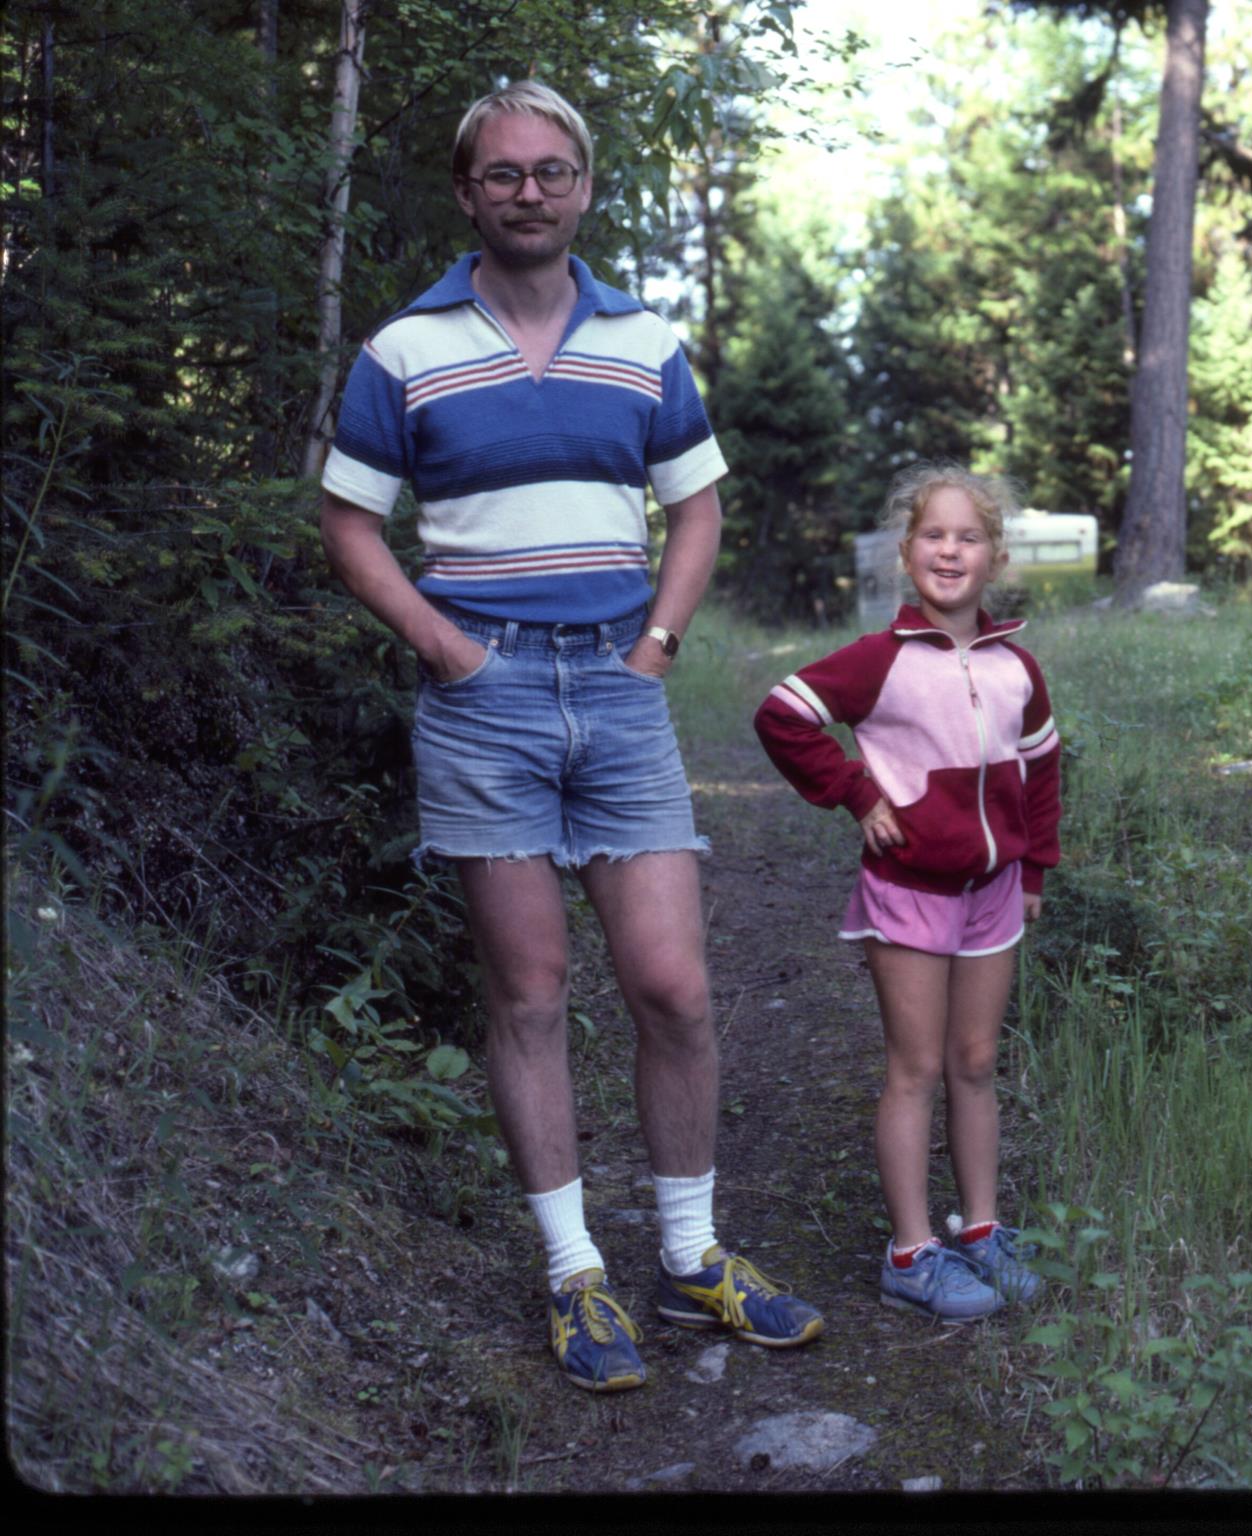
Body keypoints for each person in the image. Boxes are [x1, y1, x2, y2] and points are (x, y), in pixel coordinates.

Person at [315, 81, 822, 1392]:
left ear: (585, 188)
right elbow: (350, 521)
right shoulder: (404, 351)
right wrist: (444, 645)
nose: (527, 192)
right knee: (530, 993)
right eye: (502, 175)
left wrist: (655, 643)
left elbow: (698, 506)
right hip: (480, 697)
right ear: (468, 192)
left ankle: (692, 1255)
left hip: (616, 689)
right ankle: (573, 1273)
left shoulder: (644, 343)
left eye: (551, 172)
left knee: (672, 985)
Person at [755, 464, 1062, 1322]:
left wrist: (1033, 868)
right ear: (906, 552)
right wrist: (857, 793)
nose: (950, 550)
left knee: (974, 1062)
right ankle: (910, 1251)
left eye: (968, 537)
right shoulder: (878, 661)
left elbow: (1041, 772)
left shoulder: (1016, 668)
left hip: (995, 892)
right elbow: (783, 715)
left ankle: (981, 1231)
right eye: (934, 535)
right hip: (909, 892)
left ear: (994, 556)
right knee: (916, 1067)